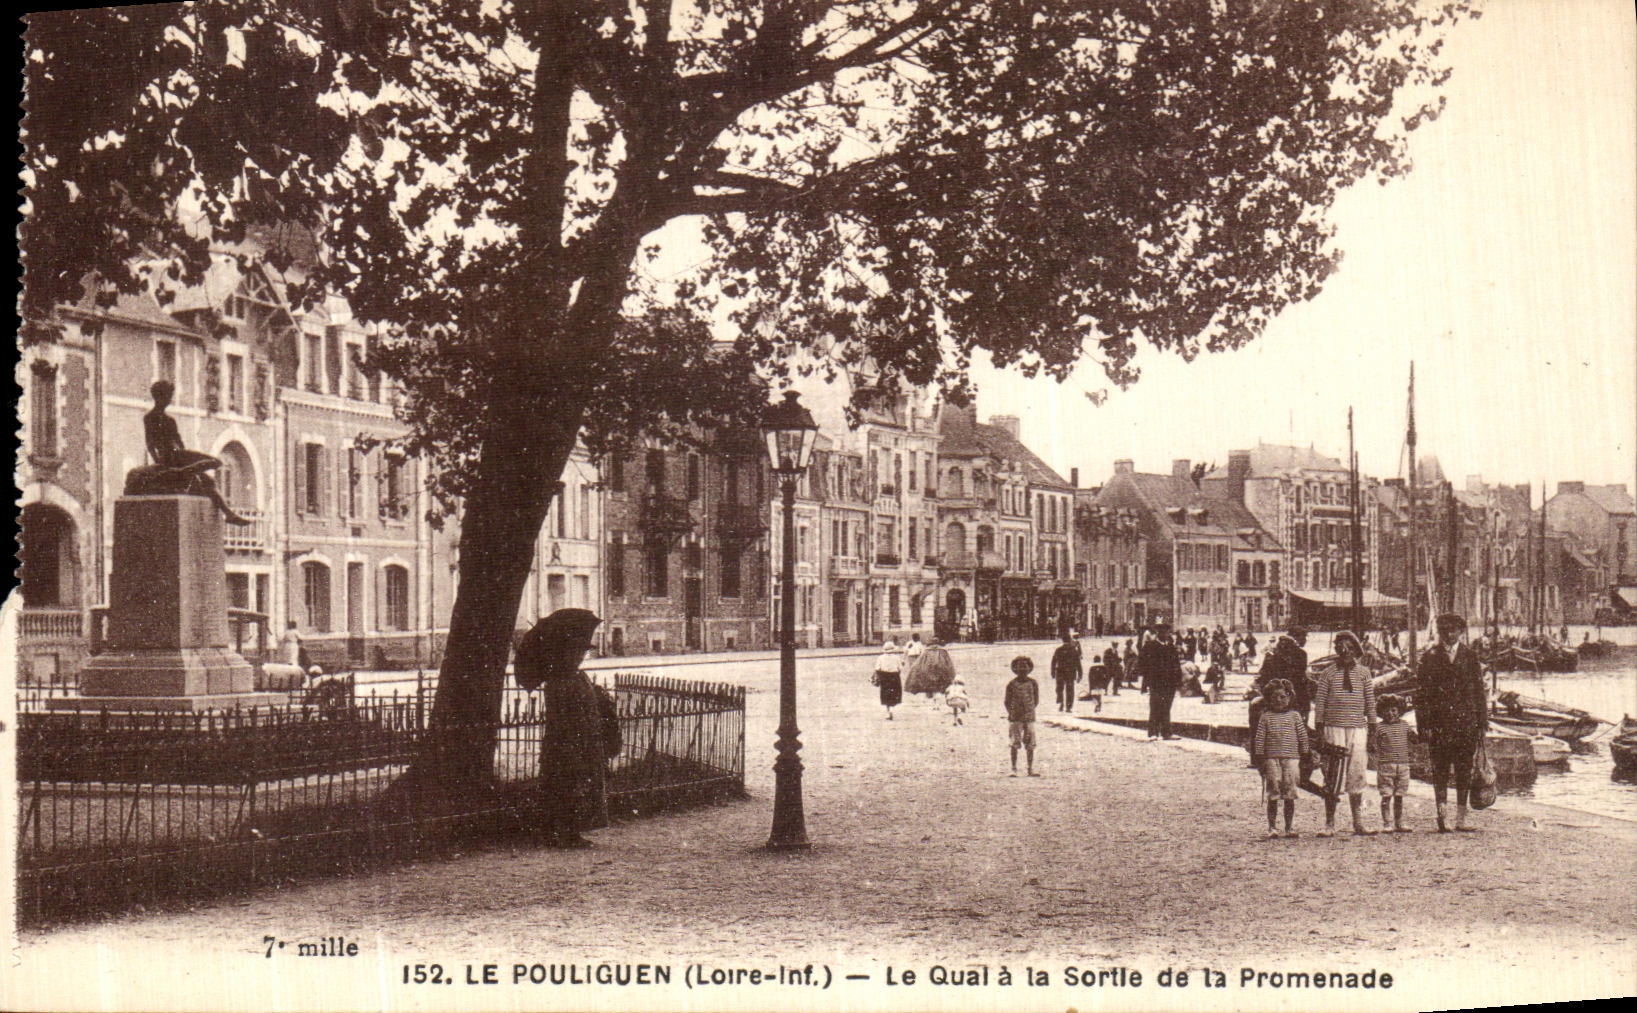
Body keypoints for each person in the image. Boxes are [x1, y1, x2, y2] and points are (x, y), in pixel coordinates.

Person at [514, 608, 616, 849]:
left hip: (584, 742)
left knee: (577, 787)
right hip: (566, 744)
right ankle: (562, 833)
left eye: (582, 653)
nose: (580, 657)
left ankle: (568, 831)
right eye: (576, 653)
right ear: (564, 654)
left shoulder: (577, 677)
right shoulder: (559, 682)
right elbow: (562, 718)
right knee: (563, 787)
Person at [141, 380, 251, 525]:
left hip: (177, 457)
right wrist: (158, 461)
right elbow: (151, 443)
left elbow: (179, 443)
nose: (170, 399)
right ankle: (228, 513)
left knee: (208, 478)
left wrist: (182, 456)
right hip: (169, 459)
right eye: (168, 395)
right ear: (160, 396)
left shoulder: (168, 420)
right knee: (205, 474)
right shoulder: (151, 418)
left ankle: (228, 513)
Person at [1417, 613, 1489, 833]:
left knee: (1463, 771)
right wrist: (1424, 725)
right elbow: (1422, 695)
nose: (1449, 634)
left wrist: (1482, 722)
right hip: (1439, 724)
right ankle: (1442, 816)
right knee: (1439, 770)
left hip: (1465, 723)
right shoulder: (1430, 657)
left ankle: (1461, 818)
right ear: (1439, 632)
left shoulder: (1470, 656)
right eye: (1445, 630)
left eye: (1454, 630)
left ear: (1461, 631)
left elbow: (1479, 691)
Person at [1311, 630, 1377, 837]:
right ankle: (1329, 823)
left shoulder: (1364, 673)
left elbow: (1370, 702)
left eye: (1349, 648)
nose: (1345, 651)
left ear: (1356, 650)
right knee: (1333, 776)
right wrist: (1320, 730)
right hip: (1334, 728)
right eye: (1341, 647)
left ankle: (1358, 822)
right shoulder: (1328, 673)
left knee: (1356, 774)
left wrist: (1373, 727)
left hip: (1357, 729)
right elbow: (1320, 703)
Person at [1253, 678, 1308, 839]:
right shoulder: (1266, 717)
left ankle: (1289, 827)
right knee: (1273, 791)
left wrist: (1304, 754)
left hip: (1291, 759)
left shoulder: (1295, 716)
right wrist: (1260, 759)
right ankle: (1272, 827)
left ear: (1290, 698)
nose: (1279, 700)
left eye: (1283, 697)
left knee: (1289, 792)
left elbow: (1302, 737)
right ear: (1268, 698)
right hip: (1271, 759)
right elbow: (1259, 739)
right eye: (1274, 697)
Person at [1248, 625, 1311, 767]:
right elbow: (1300, 679)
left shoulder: (1272, 654)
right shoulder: (1301, 654)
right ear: (1298, 637)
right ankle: (1303, 756)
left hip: (1272, 697)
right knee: (1301, 726)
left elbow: (1264, 676)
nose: (1305, 640)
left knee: (1255, 714)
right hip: (1295, 698)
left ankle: (1255, 758)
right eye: (1304, 637)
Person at [1373, 694, 1414, 833]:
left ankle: (1399, 822)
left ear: (1399, 711)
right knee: (1386, 795)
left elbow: (1414, 739)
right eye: (1387, 711)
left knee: (1399, 795)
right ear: (1381, 712)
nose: (1390, 714)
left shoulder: (1405, 725)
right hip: (1386, 765)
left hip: (1403, 765)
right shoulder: (1380, 728)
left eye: (1394, 710)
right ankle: (1387, 823)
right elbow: (1372, 744)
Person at [1138, 623, 1183, 741]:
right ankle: (1153, 732)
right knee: (1155, 706)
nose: (1164, 634)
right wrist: (1146, 681)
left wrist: (1178, 681)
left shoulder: (1171, 647)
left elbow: (1176, 665)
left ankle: (1166, 732)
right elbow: (1142, 664)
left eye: (1166, 632)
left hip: (1170, 683)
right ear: (1158, 633)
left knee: (1167, 707)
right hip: (1156, 682)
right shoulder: (1150, 646)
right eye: (1161, 632)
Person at [1004, 656, 1041, 776]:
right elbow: (1007, 701)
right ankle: (1013, 768)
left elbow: (1035, 700)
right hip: (1015, 718)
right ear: (1015, 669)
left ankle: (1030, 768)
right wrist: (1012, 712)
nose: (1022, 669)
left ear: (1029, 668)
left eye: (1025, 667)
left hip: (1029, 717)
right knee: (1014, 742)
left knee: (1030, 743)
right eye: (1019, 667)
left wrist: (1029, 710)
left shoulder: (1033, 683)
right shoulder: (1011, 684)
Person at [1050, 630, 1081, 713]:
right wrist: (1080, 675)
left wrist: (1052, 672)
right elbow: (1078, 663)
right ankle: (1069, 706)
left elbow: (1053, 661)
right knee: (1070, 689)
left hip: (1060, 672)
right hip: (1071, 672)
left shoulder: (1058, 650)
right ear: (1070, 640)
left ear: (1063, 641)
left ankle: (1061, 703)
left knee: (1059, 688)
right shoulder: (1074, 650)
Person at [873, 638, 904, 720]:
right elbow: (900, 668)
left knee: (885, 694)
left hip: (884, 677)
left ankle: (887, 711)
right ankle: (891, 709)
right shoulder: (896, 657)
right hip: (895, 676)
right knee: (894, 694)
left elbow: (877, 668)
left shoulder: (880, 657)